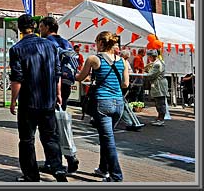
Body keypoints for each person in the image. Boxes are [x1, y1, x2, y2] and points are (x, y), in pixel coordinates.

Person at [9, 14, 67, 182]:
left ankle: (31, 176)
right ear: (33, 27)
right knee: (50, 137)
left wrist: (13, 100)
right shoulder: (50, 46)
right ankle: (59, 170)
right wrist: (58, 94)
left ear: (19, 29)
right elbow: (57, 73)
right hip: (48, 101)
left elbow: (17, 78)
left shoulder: (17, 49)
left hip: (29, 102)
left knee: (27, 140)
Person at [75, 31, 129, 182]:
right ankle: (103, 168)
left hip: (102, 103)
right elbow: (125, 84)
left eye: (96, 41)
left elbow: (80, 77)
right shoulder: (122, 61)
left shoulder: (94, 59)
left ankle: (116, 176)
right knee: (107, 137)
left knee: (108, 140)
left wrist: (69, 74)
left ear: (100, 43)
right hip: (119, 103)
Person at [38, 16, 80, 174]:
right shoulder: (66, 43)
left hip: (52, 86)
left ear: (48, 27)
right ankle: (69, 156)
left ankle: (54, 162)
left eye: (41, 27)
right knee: (61, 121)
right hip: (67, 86)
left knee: (49, 127)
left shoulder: (46, 43)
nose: (40, 30)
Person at [146, 50, 168, 126]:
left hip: (159, 84)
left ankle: (161, 119)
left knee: (160, 102)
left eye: (149, 56)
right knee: (158, 102)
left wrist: (145, 73)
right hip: (159, 84)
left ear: (151, 56)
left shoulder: (157, 64)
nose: (148, 58)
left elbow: (151, 75)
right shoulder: (159, 62)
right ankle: (159, 118)